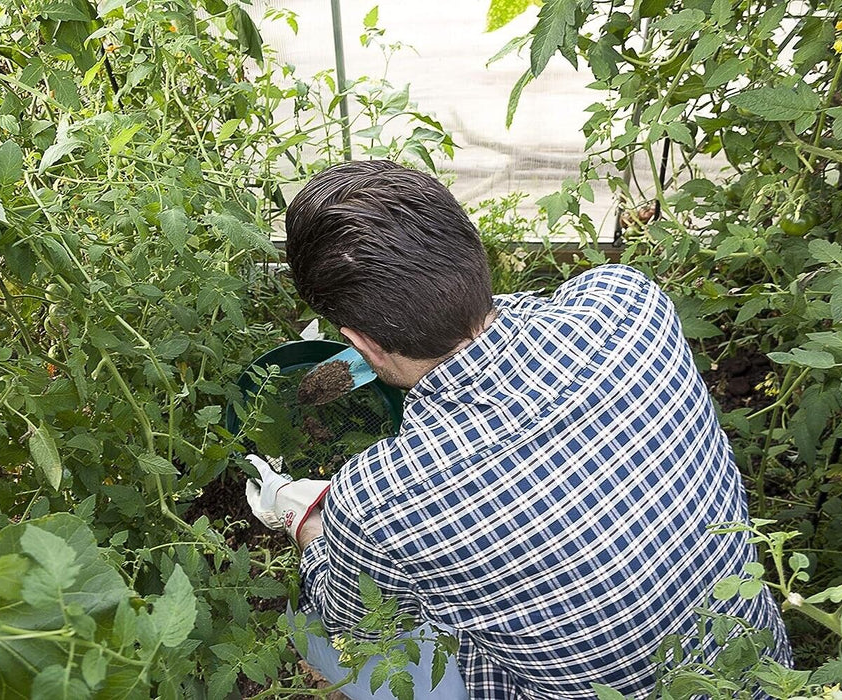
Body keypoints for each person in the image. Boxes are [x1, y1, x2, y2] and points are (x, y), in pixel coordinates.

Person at [245, 160, 791, 699]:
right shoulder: (629, 302)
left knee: (312, 626)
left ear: (358, 345)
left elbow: (358, 623)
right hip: (759, 675)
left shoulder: (385, 494)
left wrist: (308, 521)